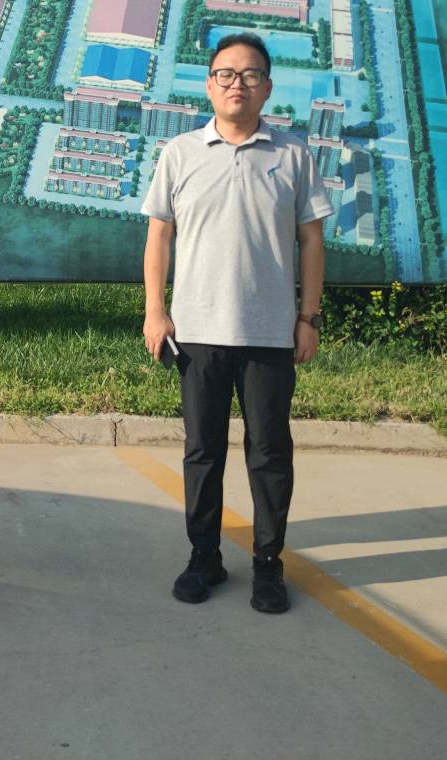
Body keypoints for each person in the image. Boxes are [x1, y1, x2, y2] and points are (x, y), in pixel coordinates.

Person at [141, 33, 332, 613]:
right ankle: (204, 556)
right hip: (197, 331)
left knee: (269, 452)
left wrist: (308, 317)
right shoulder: (179, 153)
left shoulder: (293, 155)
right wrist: (155, 310)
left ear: (267, 88)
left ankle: (268, 563)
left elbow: (311, 241)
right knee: (202, 452)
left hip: (269, 332)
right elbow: (159, 236)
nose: (237, 84)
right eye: (226, 74)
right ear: (209, 85)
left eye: (250, 75)